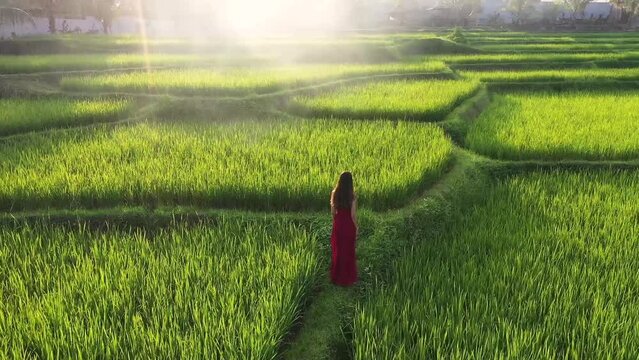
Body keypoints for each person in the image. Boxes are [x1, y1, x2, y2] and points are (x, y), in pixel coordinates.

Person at [330, 171, 358, 286]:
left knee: (338, 250)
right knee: (348, 250)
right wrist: (356, 227)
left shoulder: (334, 193)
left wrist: (335, 222)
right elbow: (353, 215)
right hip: (348, 225)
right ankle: (348, 277)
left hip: (338, 223)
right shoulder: (352, 196)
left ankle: (336, 277)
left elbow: (333, 212)